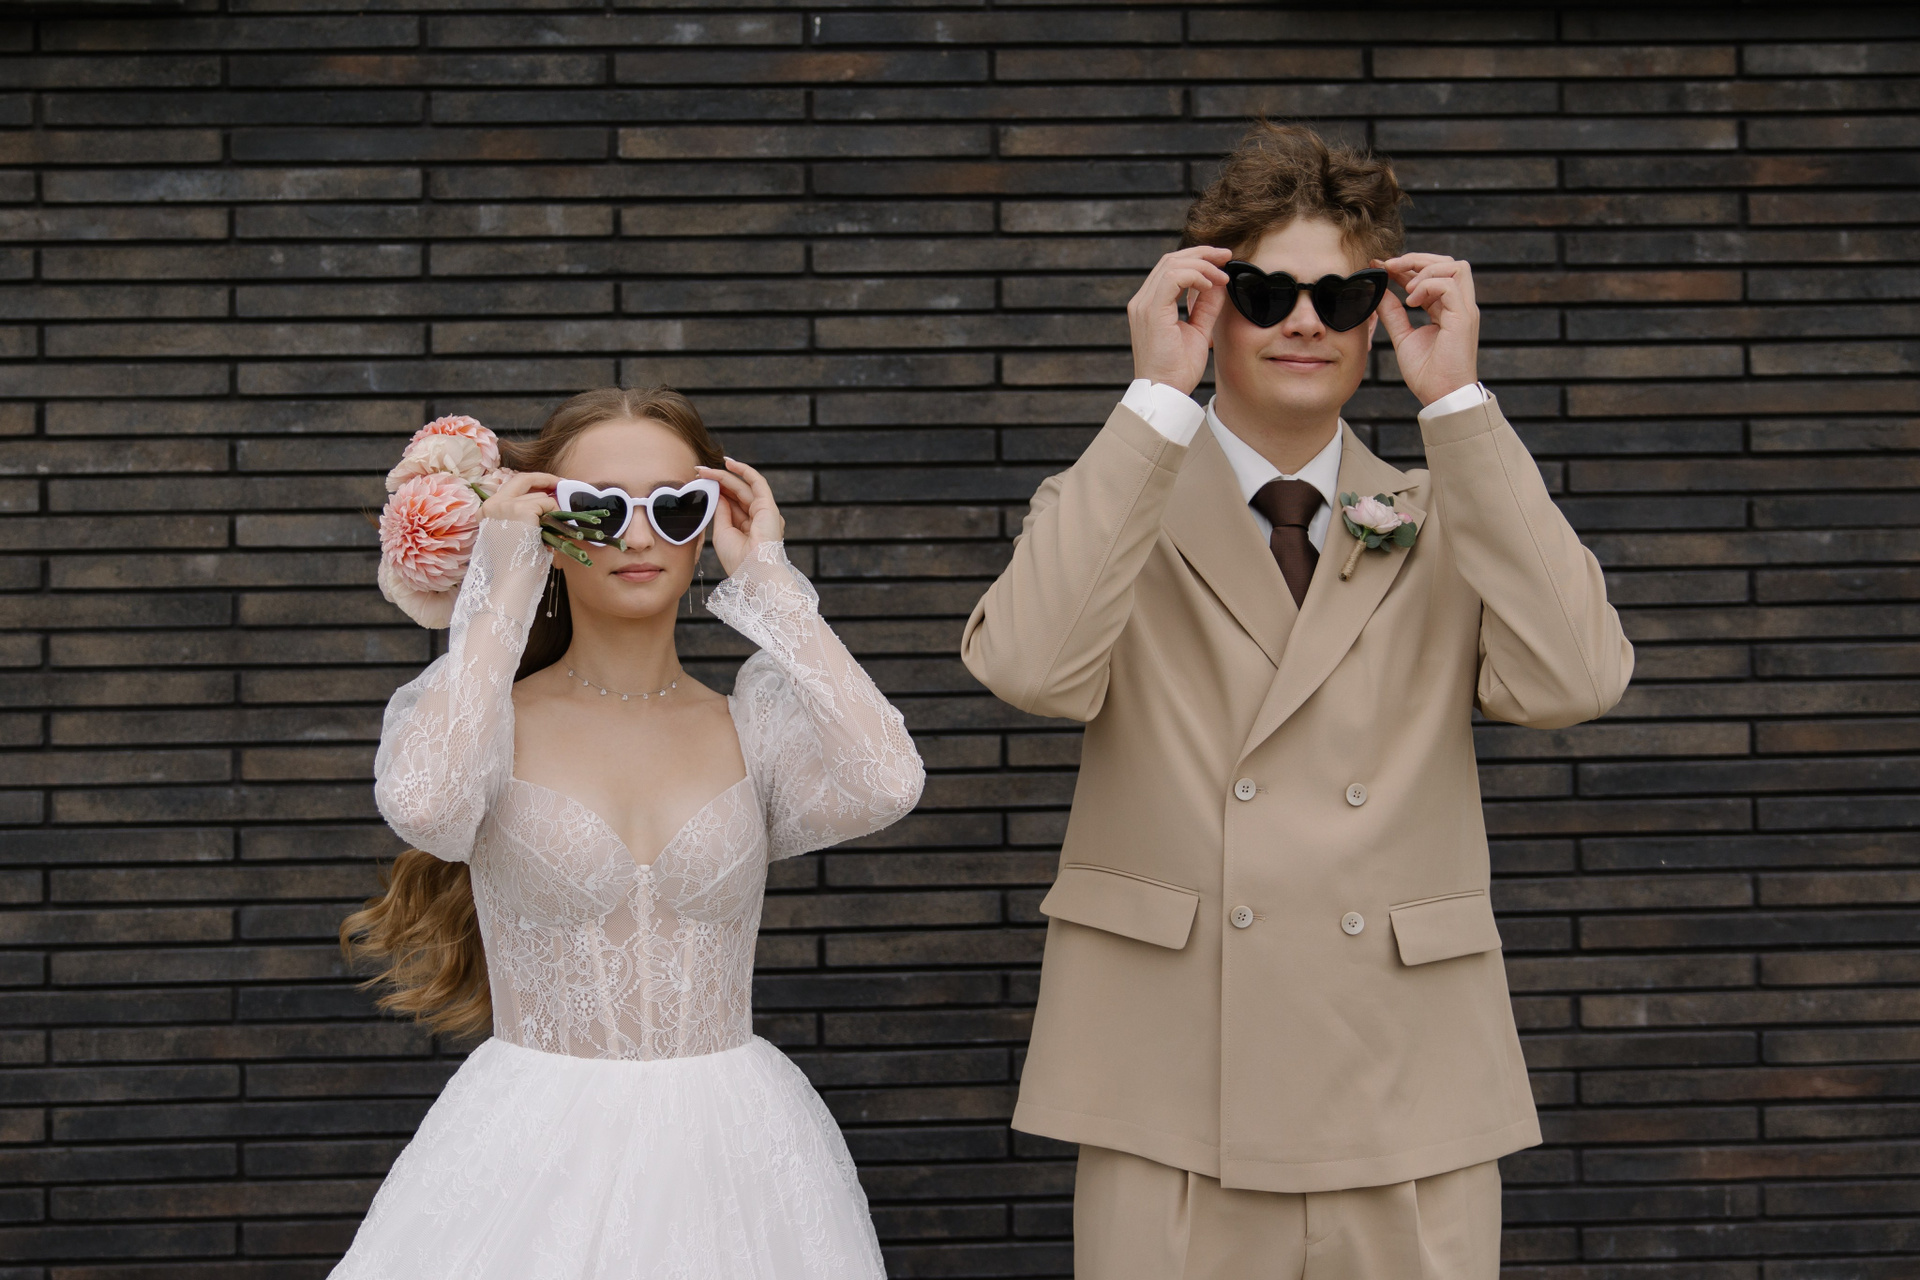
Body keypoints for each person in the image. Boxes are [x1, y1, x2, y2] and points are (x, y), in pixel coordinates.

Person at [961, 123, 1633, 1278]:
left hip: (1407, 1093)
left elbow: (1577, 677)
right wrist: (1152, 398)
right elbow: (1028, 665)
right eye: (1266, 292)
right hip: (1173, 1096)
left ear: (1381, 316)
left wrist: (1459, 404)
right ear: (1210, 308)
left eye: (1343, 294)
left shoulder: (1449, 507)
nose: (1305, 321)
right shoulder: (1108, 504)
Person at [331, 386, 923, 1279]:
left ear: (707, 523)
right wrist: (501, 586)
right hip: (528, 1158)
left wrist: (770, 585)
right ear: (547, 523)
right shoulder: (482, 722)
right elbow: (421, 803)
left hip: (734, 1158)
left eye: (676, 507)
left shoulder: (751, 726)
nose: (639, 536)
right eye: (599, 510)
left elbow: (889, 781)